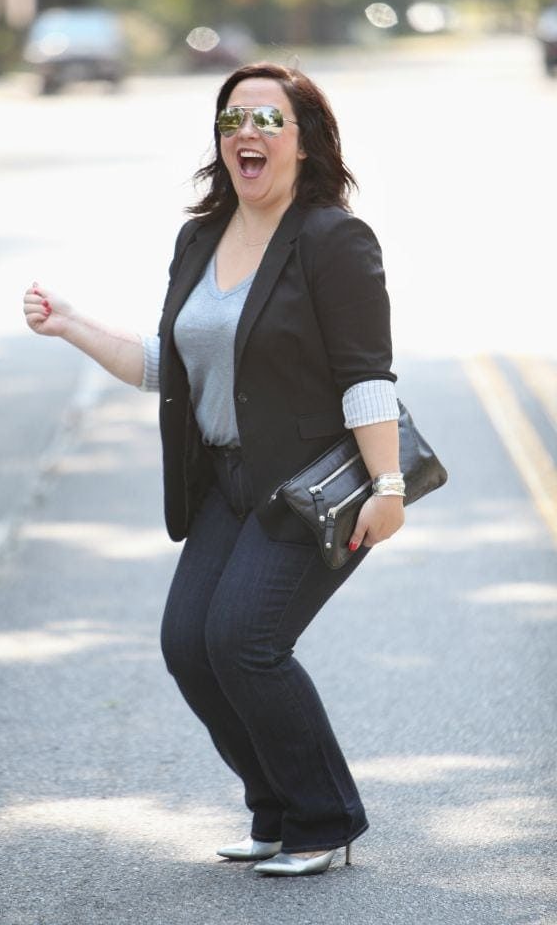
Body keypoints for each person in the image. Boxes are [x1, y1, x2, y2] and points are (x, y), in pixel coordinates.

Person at [23, 63, 405, 877]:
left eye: (267, 119)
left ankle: (324, 818)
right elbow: (173, 368)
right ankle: (274, 810)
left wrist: (390, 486)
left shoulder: (332, 240)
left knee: (244, 641)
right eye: (233, 119)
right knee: (188, 646)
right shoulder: (200, 238)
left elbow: (367, 374)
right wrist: (72, 325)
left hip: (308, 486)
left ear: (304, 141)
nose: (247, 133)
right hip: (224, 483)